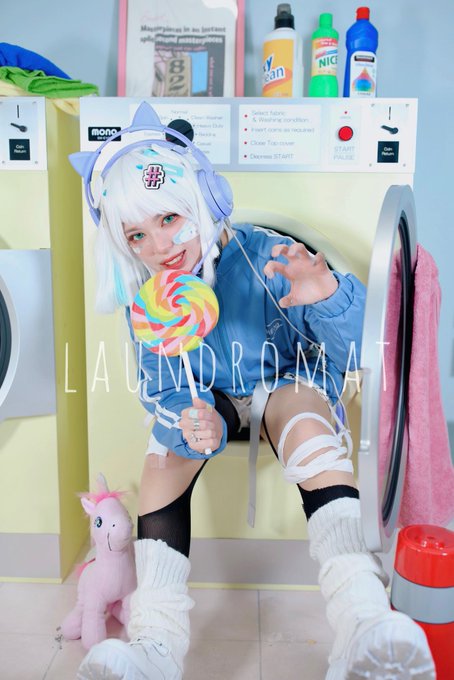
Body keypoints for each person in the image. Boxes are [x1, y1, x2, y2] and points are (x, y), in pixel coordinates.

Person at [75, 106, 434, 680]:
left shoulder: (267, 257)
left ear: (203, 200)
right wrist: (190, 419)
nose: (160, 245)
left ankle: (362, 619)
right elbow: (161, 385)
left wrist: (325, 294)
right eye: (137, 234)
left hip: (286, 385)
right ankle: (155, 644)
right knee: (165, 453)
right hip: (210, 396)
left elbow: (367, 353)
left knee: (307, 423)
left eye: (169, 218)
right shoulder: (151, 301)